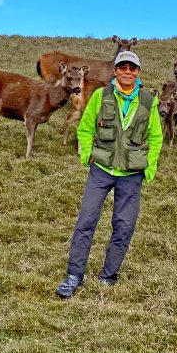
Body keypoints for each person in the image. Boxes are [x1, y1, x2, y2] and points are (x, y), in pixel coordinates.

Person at [55, 49, 163, 298]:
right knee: (86, 221)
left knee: (124, 226)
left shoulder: (149, 101)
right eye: (122, 67)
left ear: (138, 73)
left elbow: (156, 137)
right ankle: (74, 275)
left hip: (132, 173)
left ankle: (108, 276)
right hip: (101, 170)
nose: (127, 72)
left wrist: (150, 167)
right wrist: (86, 154)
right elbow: (85, 127)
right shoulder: (100, 96)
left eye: (132, 68)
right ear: (115, 71)